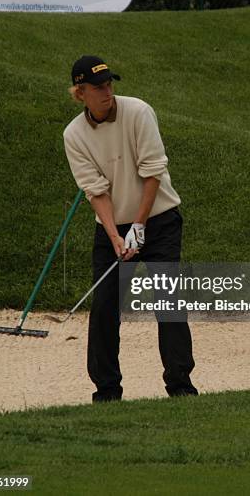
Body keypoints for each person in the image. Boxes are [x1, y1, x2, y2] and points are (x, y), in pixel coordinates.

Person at [63, 55, 198, 402]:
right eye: (98, 87)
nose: (107, 91)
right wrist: (115, 236)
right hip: (112, 226)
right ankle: (106, 391)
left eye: (109, 84)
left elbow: (152, 171)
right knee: (105, 304)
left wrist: (139, 225)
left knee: (167, 299)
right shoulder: (74, 135)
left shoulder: (138, 112)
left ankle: (180, 386)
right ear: (81, 93)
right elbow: (96, 192)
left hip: (160, 219)